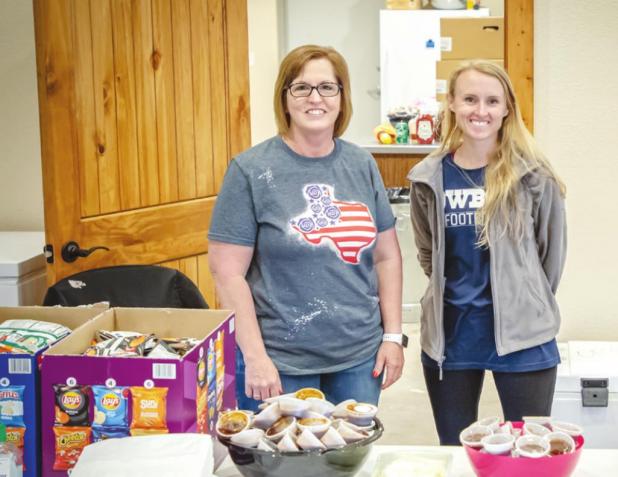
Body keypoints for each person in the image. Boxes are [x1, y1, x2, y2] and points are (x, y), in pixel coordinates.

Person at [208, 45, 404, 411]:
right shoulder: (250, 170)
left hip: (359, 358)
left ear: (342, 98)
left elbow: (387, 257)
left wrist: (393, 336)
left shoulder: (362, 165)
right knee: (281, 466)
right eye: (301, 87)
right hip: (279, 362)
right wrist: (254, 357)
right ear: (284, 99)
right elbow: (227, 272)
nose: (315, 98)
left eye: (328, 87)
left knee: (346, 463)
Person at [408, 60, 567, 445]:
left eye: (492, 101)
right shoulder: (428, 177)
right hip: (452, 336)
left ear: (507, 108)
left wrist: (525, 297)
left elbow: (551, 255)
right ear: (452, 103)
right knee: (456, 449)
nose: (481, 111)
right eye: (470, 99)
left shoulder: (533, 176)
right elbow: (428, 252)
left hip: (523, 337)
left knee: (531, 448)